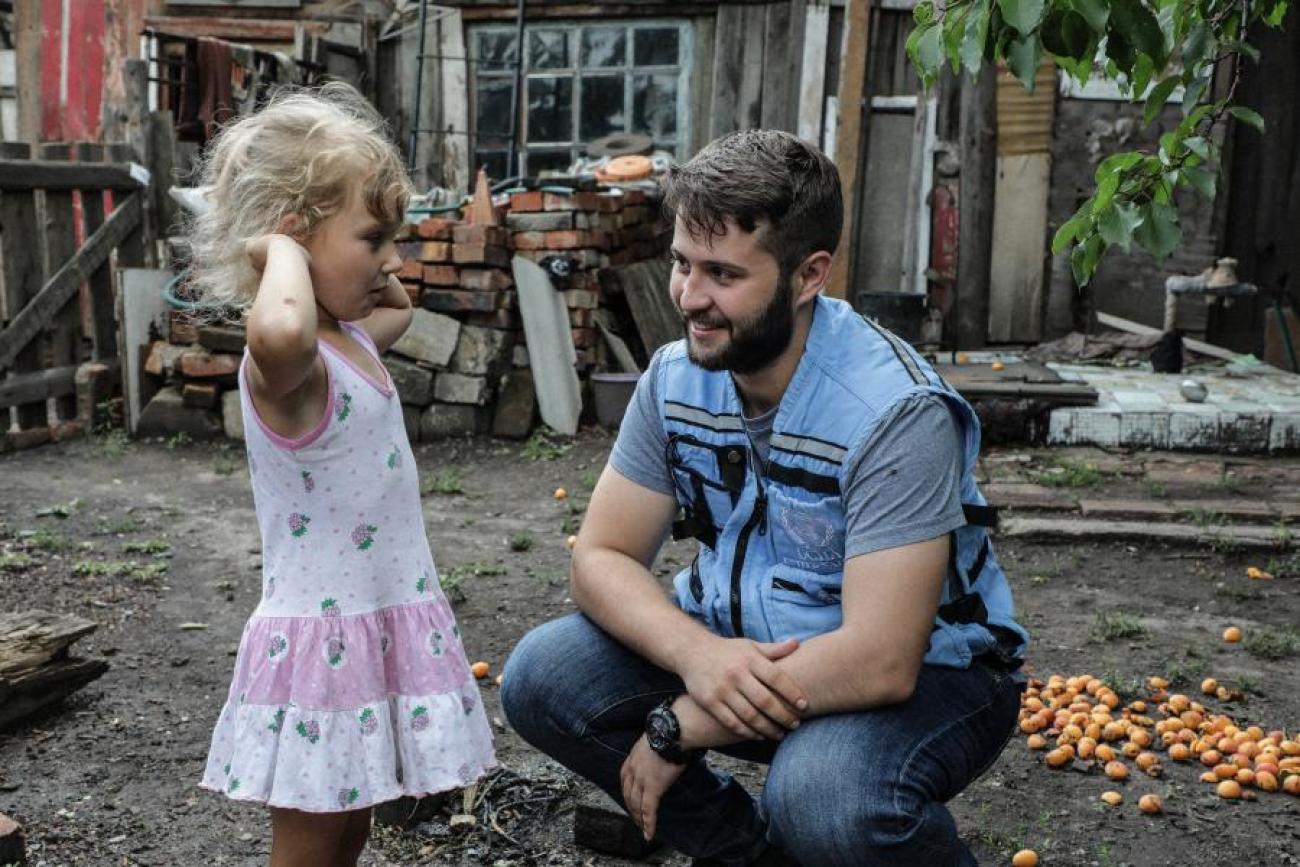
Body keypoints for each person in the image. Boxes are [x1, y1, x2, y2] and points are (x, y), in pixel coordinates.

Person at [500, 129, 1028, 866]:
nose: (689, 296)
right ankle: (752, 856)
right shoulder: (674, 379)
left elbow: (881, 658)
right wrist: (699, 656)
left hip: (932, 679)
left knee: (823, 798)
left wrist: (680, 724)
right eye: (683, 264)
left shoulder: (892, 412)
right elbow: (601, 557)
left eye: (722, 274)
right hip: (739, 647)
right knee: (542, 676)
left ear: (808, 275)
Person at [191, 83, 495, 866]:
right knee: (311, 840)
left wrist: (350, 249)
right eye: (372, 237)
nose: (391, 259)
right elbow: (285, 320)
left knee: (352, 820)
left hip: (375, 618)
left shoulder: (351, 342)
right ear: (292, 237)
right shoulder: (287, 369)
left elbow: (396, 302)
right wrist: (284, 250)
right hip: (322, 643)